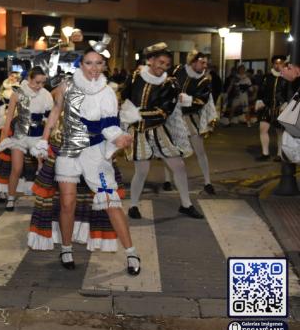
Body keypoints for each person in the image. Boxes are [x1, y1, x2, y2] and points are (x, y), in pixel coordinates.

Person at [33, 40, 140, 275]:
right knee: (67, 202)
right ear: (81, 64)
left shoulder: (108, 92)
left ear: (104, 65)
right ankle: (67, 248)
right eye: (89, 63)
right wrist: (43, 140)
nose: (93, 67)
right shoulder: (67, 87)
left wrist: (119, 138)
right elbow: (55, 112)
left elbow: (109, 125)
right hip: (69, 150)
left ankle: (131, 253)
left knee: (111, 201)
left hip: (95, 153)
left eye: (98, 63)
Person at [120, 43, 202, 220]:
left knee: (178, 166)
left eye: (166, 64)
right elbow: (125, 96)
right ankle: (133, 205)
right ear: (150, 61)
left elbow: (164, 112)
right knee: (141, 171)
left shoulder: (170, 84)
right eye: (160, 62)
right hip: (138, 132)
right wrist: (125, 112)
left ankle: (186, 204)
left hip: (158, 130)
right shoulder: (135, 76)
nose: (163, 67)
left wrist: (135, 113)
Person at [0, 66, 53, 211]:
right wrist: (3, 135)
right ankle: (10, 198)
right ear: (29, 79)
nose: (39, 86)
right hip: (20, 135)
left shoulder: (46, 95)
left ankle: (44, 199)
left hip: (38, 136)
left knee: (43, 168)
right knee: (16, 168)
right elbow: (9, 116)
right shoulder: (18, 93)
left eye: (42, 83)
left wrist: (46, 138)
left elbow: (49, 119)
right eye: (37, 82)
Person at [169, 51, 218, 195]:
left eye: (206, 62)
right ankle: (167, 181)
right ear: (193, 61)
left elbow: (202, 101)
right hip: (173, 116)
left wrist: (188, 100)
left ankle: (207, 182)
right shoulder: (178, 70)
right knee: (170, 151)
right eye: (202, 62)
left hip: (191, 117)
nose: (205, 65)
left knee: (200, 150)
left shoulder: (204, 80)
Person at [255, 55, 288, 161]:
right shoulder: (267, 77)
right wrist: (259, 100)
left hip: (281, 107)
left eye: (280, 63)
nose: (278, 65)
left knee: (280, 132)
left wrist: (286, 103)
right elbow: (261, 91)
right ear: (273, 64)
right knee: (263, 129)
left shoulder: (287, 77)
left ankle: (279, 154)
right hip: (266, 106)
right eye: (276, 63)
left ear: (284, 64)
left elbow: (290, 93)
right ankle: (265, 153)